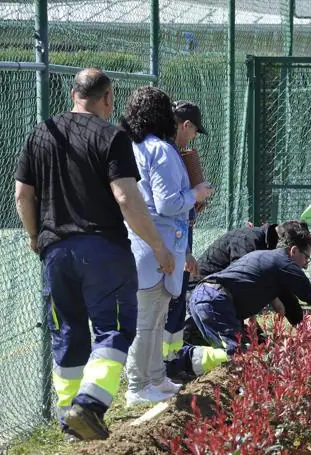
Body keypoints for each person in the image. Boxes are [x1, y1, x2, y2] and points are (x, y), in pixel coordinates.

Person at [14, 69, 174, 440]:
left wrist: (35, 235)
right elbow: (126, 198)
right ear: (107, 98)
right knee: (114, 328)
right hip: (104, 251)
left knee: (68, 331)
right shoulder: (112, 135)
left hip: (55, 252)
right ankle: (89, 405)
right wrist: (157, 245)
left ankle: (69, 423)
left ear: (73, 94)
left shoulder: (41, 133)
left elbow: (23, 194)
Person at [120, 87, 213, 407]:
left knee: (155, 316)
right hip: (156, 245)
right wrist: (196, 194)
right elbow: (167, 203)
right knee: (148, 319)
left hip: (146, 243)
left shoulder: (136, 146)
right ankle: (138, 385)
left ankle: (155, 377)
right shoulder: (159, 150)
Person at [172, 221, 311, 376]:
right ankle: (176, 361)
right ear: (294, 250)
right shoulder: (257, 244)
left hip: (212, 298)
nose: (306, 265)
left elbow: (288, 301)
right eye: (307, 258)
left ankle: (178, 361)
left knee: (246, 350)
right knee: (238, 355)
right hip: (210, 297)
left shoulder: (273, 257)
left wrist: (307, 334)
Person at [162, 100, 211, 368]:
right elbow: (167, 205)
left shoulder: (172, 153)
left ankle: (171, 359)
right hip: (171, 239)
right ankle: (164, 364)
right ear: (186, 125)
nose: (193, 138)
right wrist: (196, 194)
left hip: (178, 236)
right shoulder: (167, 154)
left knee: (176, 298)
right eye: (193, 131)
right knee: (170, 300)